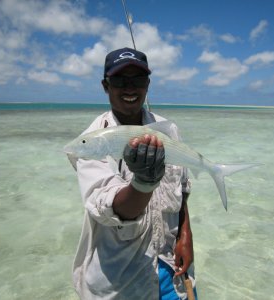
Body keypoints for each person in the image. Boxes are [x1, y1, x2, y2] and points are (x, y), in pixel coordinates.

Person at [67, 47, 197, 299]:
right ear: (106, 86)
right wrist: (144, 183)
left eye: (137, 80)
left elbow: (181, 186)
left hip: (173, 268)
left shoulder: (167, 129)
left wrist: (185, 234)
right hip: (122, 282)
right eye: (119, 80)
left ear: (147, 84)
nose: (129, 88)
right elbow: (112, 210)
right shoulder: (91, 143)